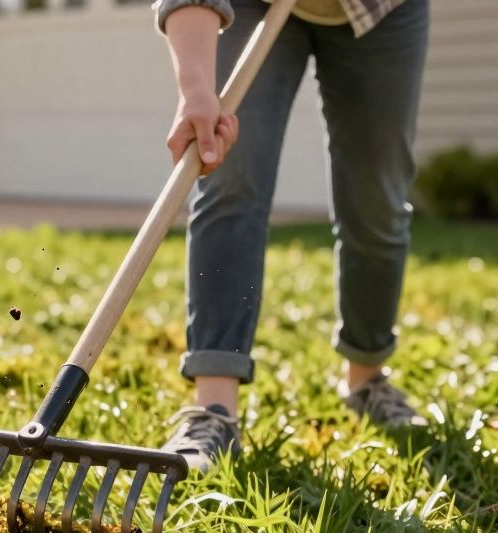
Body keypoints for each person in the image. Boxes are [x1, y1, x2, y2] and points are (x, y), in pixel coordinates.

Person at [155, 0, 431, 472]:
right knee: (229, 176)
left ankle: (366, 378)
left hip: (379, 13)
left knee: (375, 201)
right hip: (252, 7)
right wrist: (196, 88)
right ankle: (214, 408)